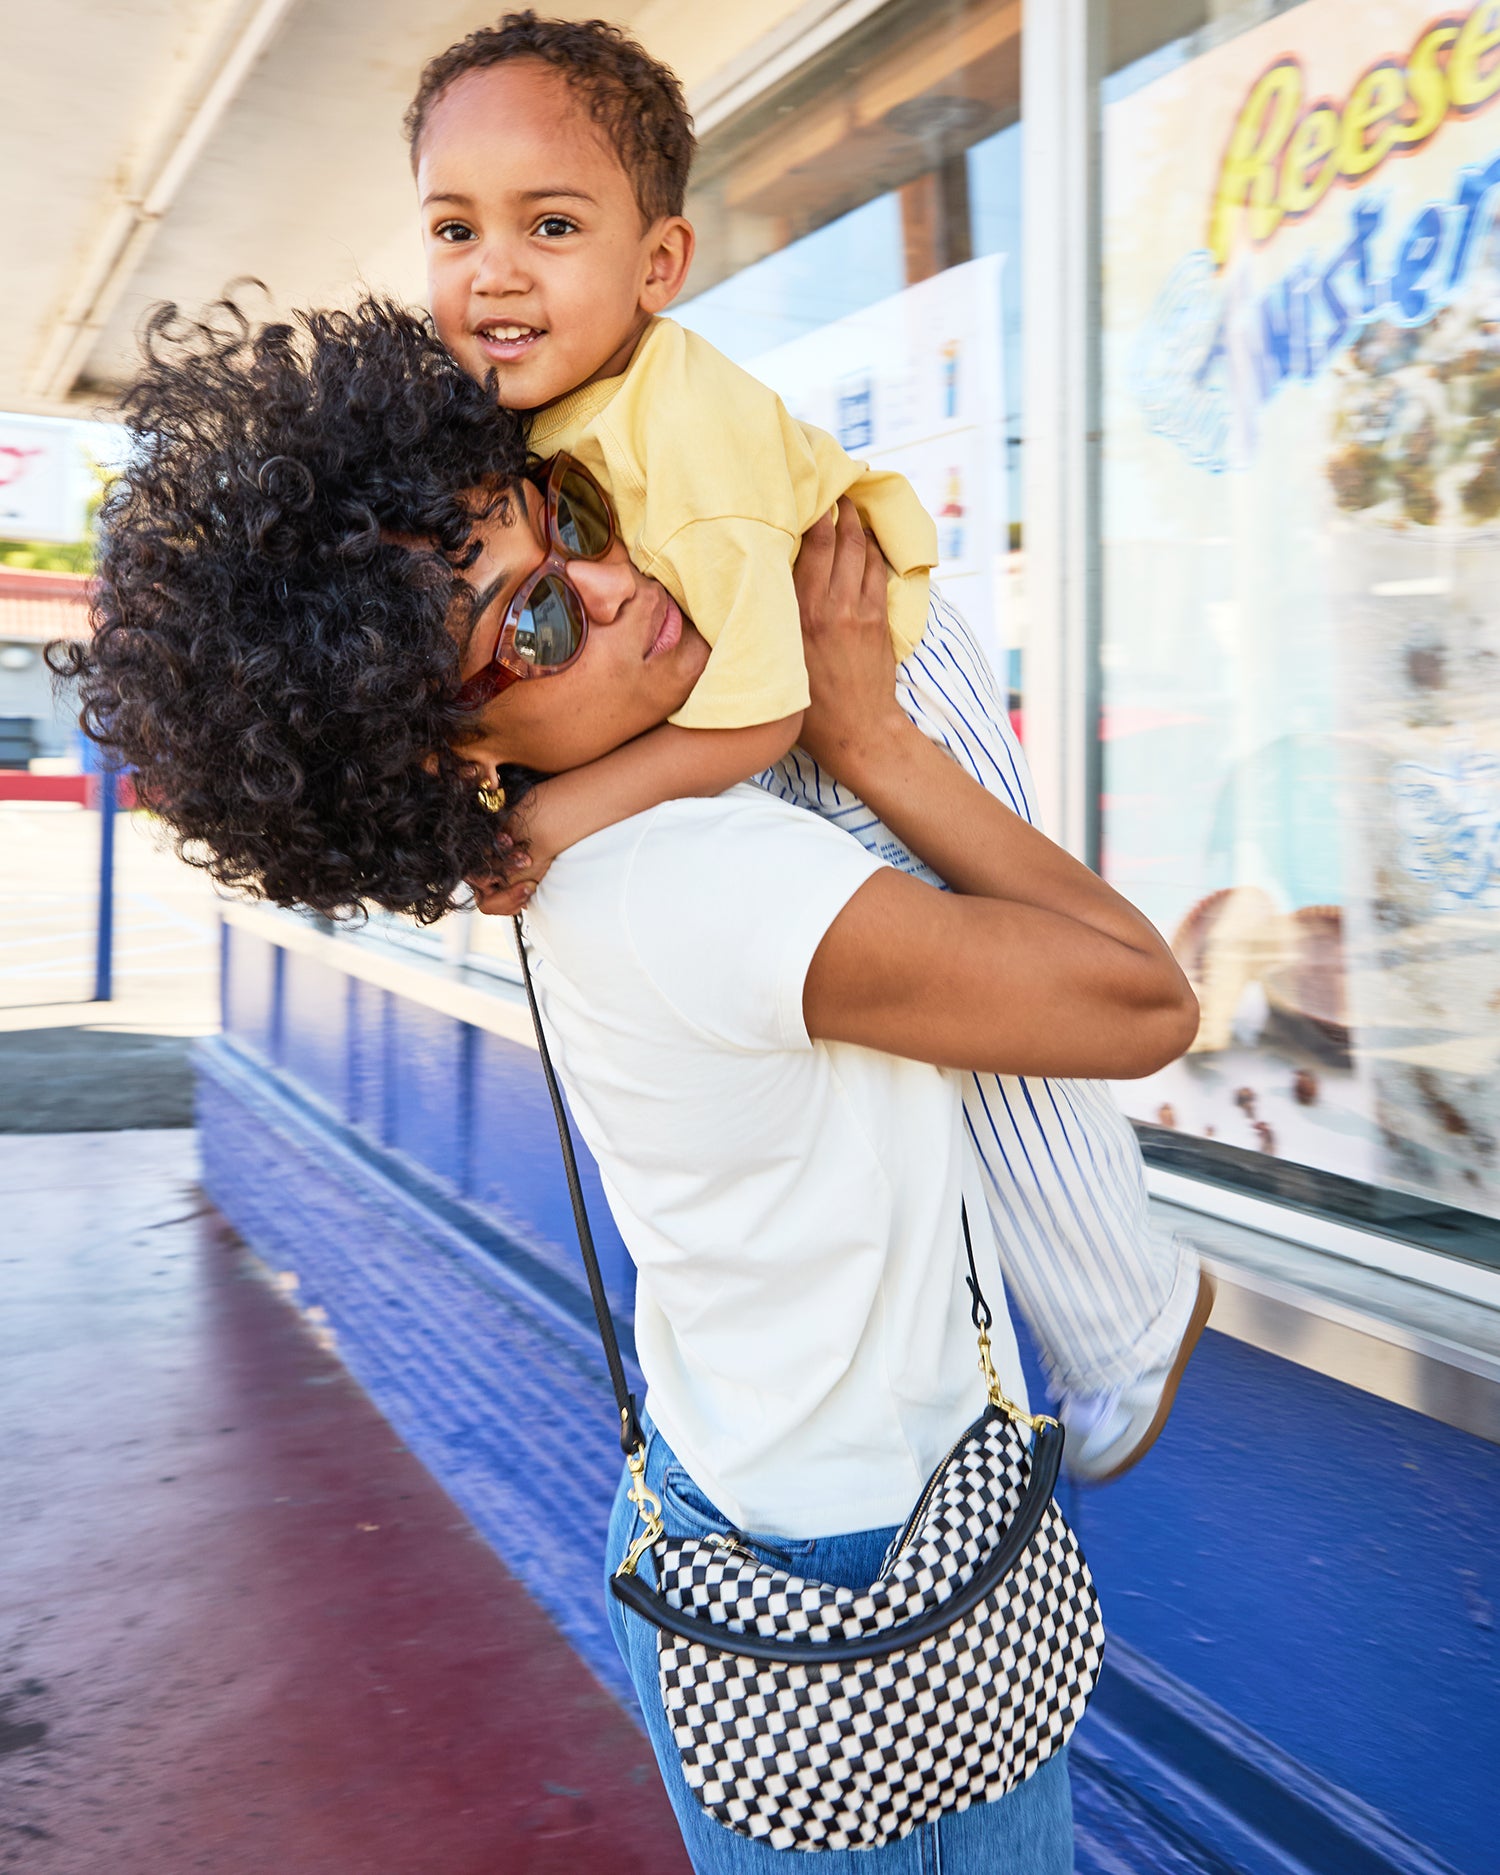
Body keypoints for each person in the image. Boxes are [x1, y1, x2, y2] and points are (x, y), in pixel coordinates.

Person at [55, 296, 1198, 1869]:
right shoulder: (693, 874)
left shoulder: (581, 848)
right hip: (861, 1593)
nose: (614, 585)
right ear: (442, 752)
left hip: (757, 1514)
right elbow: (1142, 1002)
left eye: (570, 526)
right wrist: (875, 742)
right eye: (531, 627)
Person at [403, 12, 1211, 1478]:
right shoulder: (531, 430)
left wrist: (558, 813)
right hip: (776, 717)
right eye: (455, 227)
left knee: (1004, 1035)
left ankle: (1126, 1319)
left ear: (659, 266)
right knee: (949, 1026)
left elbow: (770, 713)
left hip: (879, 672)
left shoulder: (679, 431)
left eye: (552, 224)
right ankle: (1104, 1318)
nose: (494, 270)